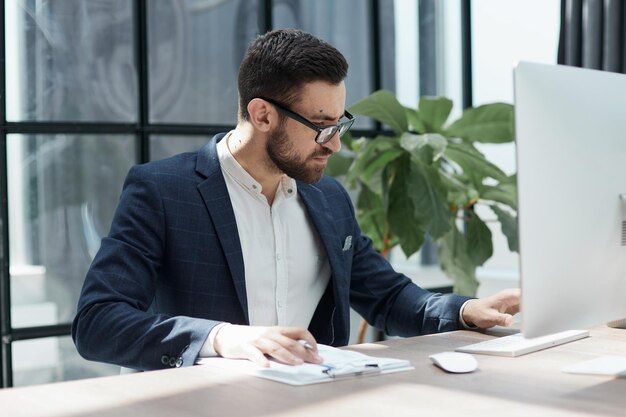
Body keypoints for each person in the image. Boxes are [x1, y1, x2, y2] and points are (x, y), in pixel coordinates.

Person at [72, 28, 520, 371]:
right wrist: (225, 339)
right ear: (262, 114)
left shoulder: (328, 198)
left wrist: (464, 311)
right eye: (321, 125)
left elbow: (386, 296)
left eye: (339, 123)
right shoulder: (162, 190)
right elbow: (97, 322)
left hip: (317, 399)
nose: (335, 144)